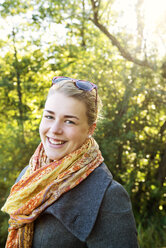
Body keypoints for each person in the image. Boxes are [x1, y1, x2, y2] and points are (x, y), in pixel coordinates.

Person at [2, 76, 139, 248]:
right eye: (49, 117)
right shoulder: (28, 175)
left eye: (69, 121)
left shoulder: (109, 196)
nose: (54, 130)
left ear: (90, 129)